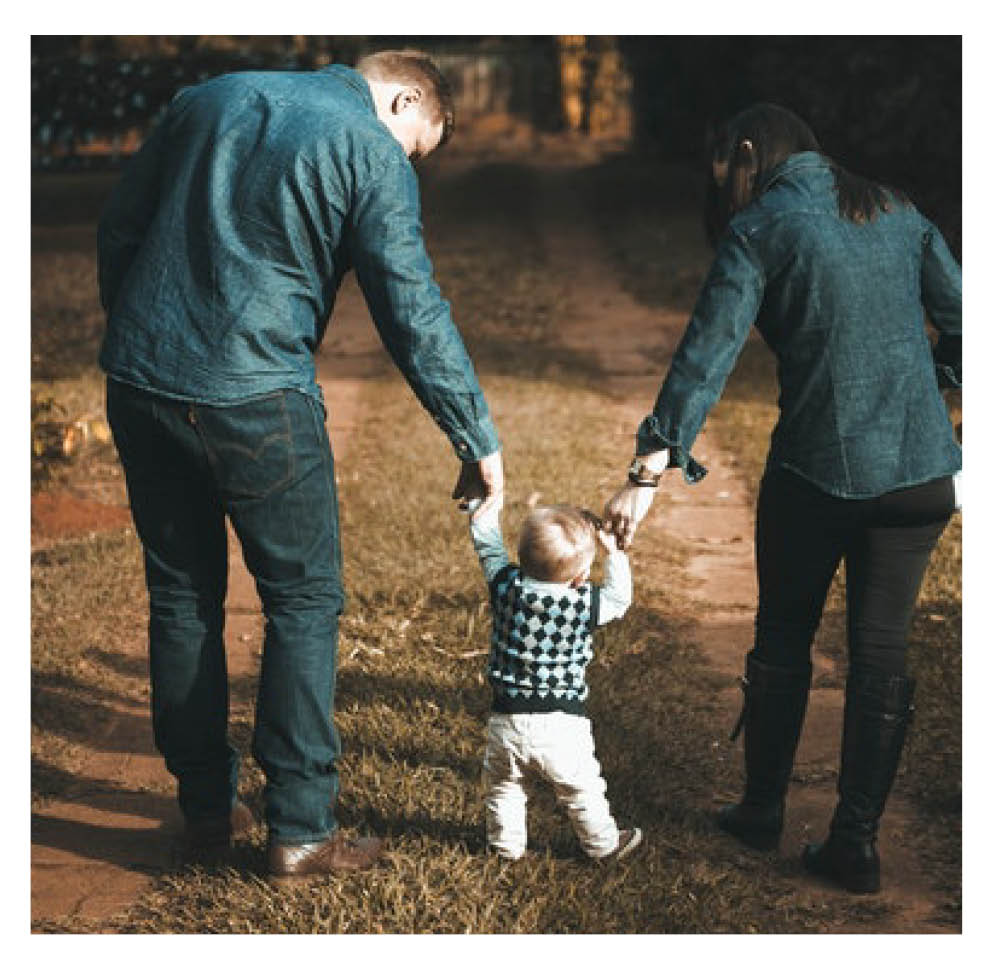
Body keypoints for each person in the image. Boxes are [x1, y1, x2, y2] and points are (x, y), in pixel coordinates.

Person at [97, 49, 504, 885]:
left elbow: (120, 226)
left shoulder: (205, 97)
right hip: (258, 398)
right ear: (400, 98)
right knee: (304, 600)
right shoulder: (369, 149)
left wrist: (139, 337)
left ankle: (207, 810)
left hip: (140, 382)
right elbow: (411, 307)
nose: (408, 164)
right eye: (416, 146)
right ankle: (303, 830)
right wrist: (473, 434)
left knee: (181, 594)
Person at [603, 103, 961, 894]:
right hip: (922, 479)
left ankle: (762, 809)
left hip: (817, 476)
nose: (725, 190)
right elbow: (966, 316)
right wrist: (938, 388)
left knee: (784, 635)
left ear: (750, 153)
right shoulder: (897, 208)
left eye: (726, 171)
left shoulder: (761, 228)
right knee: (882, 651)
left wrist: (645, 475)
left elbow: (705, 359)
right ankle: (856, 844)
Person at [468, 500, 642, 861]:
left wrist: (481, 507)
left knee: (504, 787)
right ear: (579, 577)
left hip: (507, 720)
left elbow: (488, 547)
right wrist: (613, 554)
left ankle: (506, 849)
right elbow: (620, 599)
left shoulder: (506, 588)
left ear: (522, 557)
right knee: (581, 789)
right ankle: (604, 845)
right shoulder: (583, 603)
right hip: (562, 725)